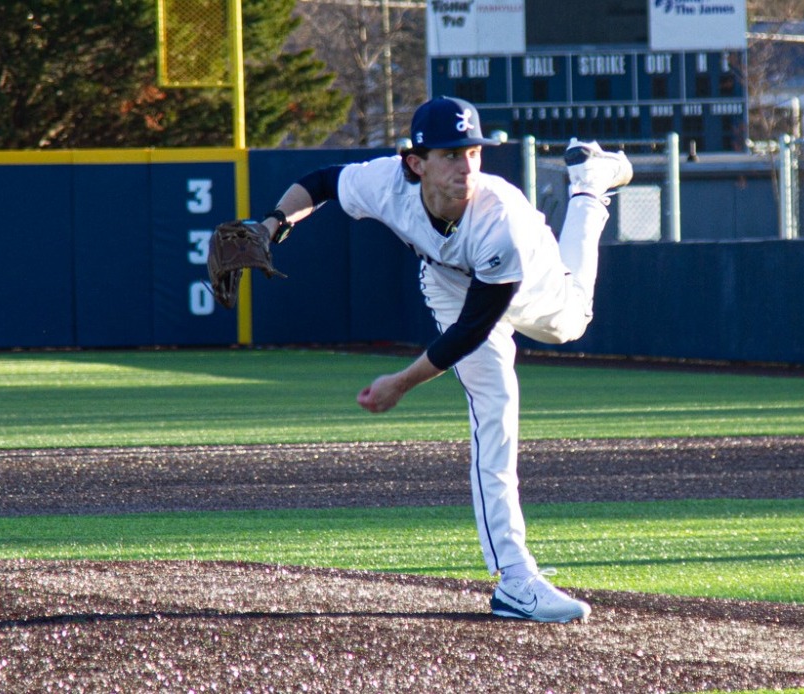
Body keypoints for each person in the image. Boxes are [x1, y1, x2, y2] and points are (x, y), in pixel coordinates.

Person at [257, 96, 631, 623]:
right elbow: (321, 182)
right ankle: (516, 580)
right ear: (416, 162)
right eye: (451, 154)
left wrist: (401, 383)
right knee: (495, 405)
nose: (466, 165)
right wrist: (272, 223)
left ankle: (589, 185)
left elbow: (473, 330)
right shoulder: (386, 182)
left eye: (473, 152)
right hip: (448, 280)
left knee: (570, 324)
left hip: (523, 281)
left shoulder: (500, 220)